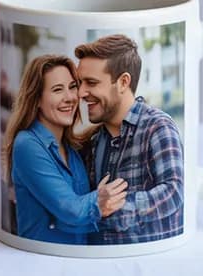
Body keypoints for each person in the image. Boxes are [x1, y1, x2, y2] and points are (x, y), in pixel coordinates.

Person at [1, 54, 128, 244]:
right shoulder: (27, 144)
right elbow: (70, 209)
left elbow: (70, 219)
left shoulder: (72, 149)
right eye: (57, 89)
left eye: (72, 87)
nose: (69, 98)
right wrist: (99, 200)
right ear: (36, 99)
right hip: (42, 262)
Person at [75, 34, 185, 244]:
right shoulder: (95, 141)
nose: (81, 92)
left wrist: (111, 209)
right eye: (80, 83)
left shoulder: (157, 127)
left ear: (123, 82)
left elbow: (174, 193)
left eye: (91, 82)